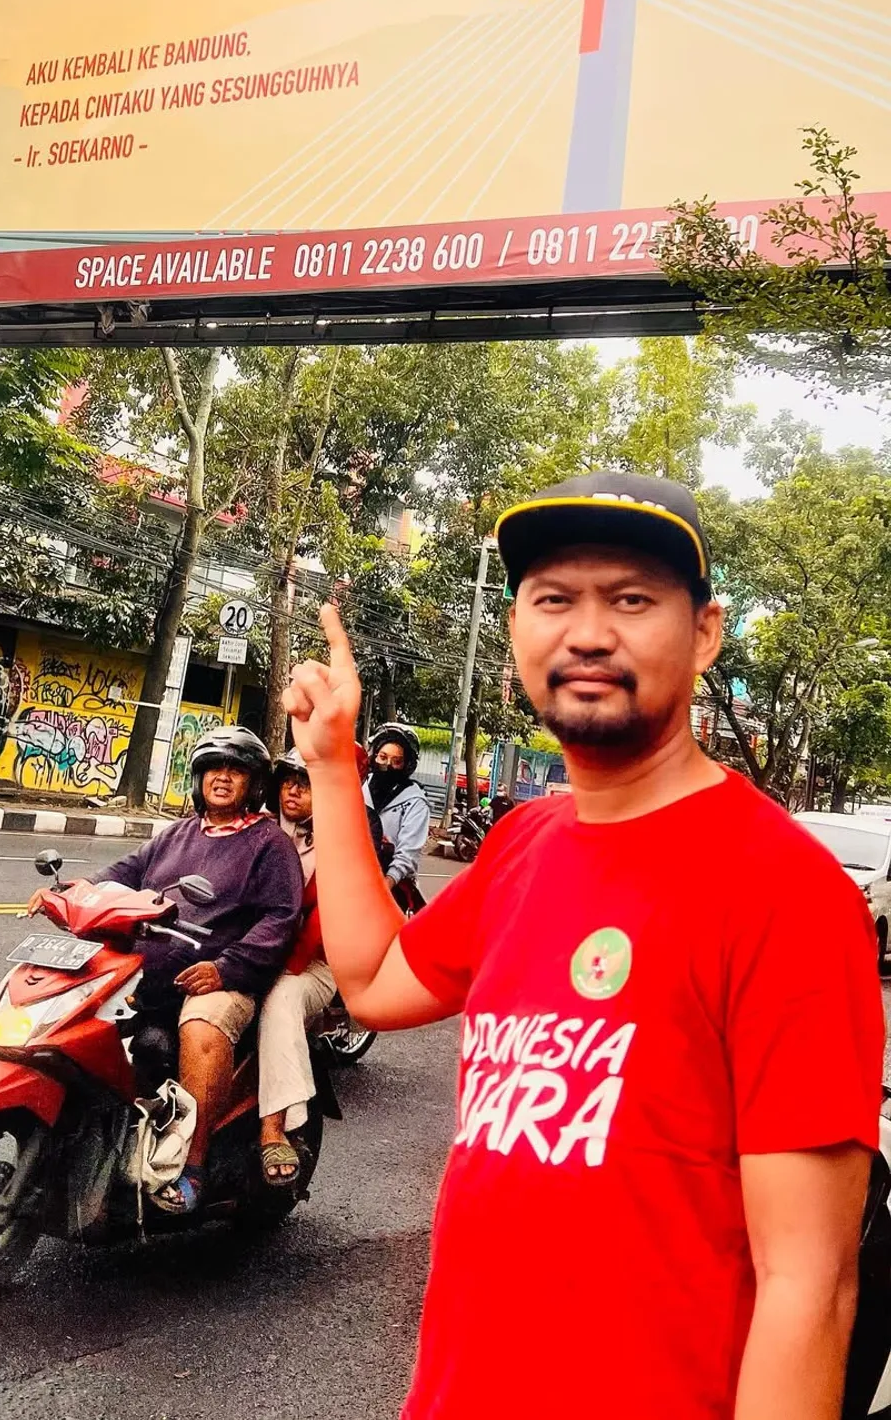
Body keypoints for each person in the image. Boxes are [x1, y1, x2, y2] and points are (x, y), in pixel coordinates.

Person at [281, 470, 883, 1420]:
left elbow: (808, 1287)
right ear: (518, 625)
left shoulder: (786, 893)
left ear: (706, 631)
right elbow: (373, 981)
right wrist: (329, 760)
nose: (588, 632)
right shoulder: (526, 840)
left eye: (633, 599)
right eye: (554, 599)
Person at [96, 725, 302, 1214]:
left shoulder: (269, 844)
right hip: (149, 970)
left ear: (253, 785)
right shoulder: (178, 833)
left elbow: (281, 918)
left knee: (201, 1025)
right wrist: (73, 893)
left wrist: (226, 968)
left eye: (235, 770)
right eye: (213, 768)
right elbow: (122, 874)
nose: (222, 779)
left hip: (220, 979)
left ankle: (192, 1164)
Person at [257, 743, 383, 1186]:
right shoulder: (261, 826)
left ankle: (274, 1128)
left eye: (307, 782)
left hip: (308, 963)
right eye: (289, 778)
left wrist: (273, 965)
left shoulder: (345, 843)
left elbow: (320, 925)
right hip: (252, 951)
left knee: (280, 1002)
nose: (293, 790)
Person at [364, 722, 430, 897]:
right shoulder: (359, 786)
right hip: (353, 877)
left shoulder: (415, 801)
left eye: (397, 761)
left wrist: (387, 884)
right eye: (383, 757)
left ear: (407, 765)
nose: (387, 765)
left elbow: (408, 853)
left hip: (393, 888)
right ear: (374, 756)